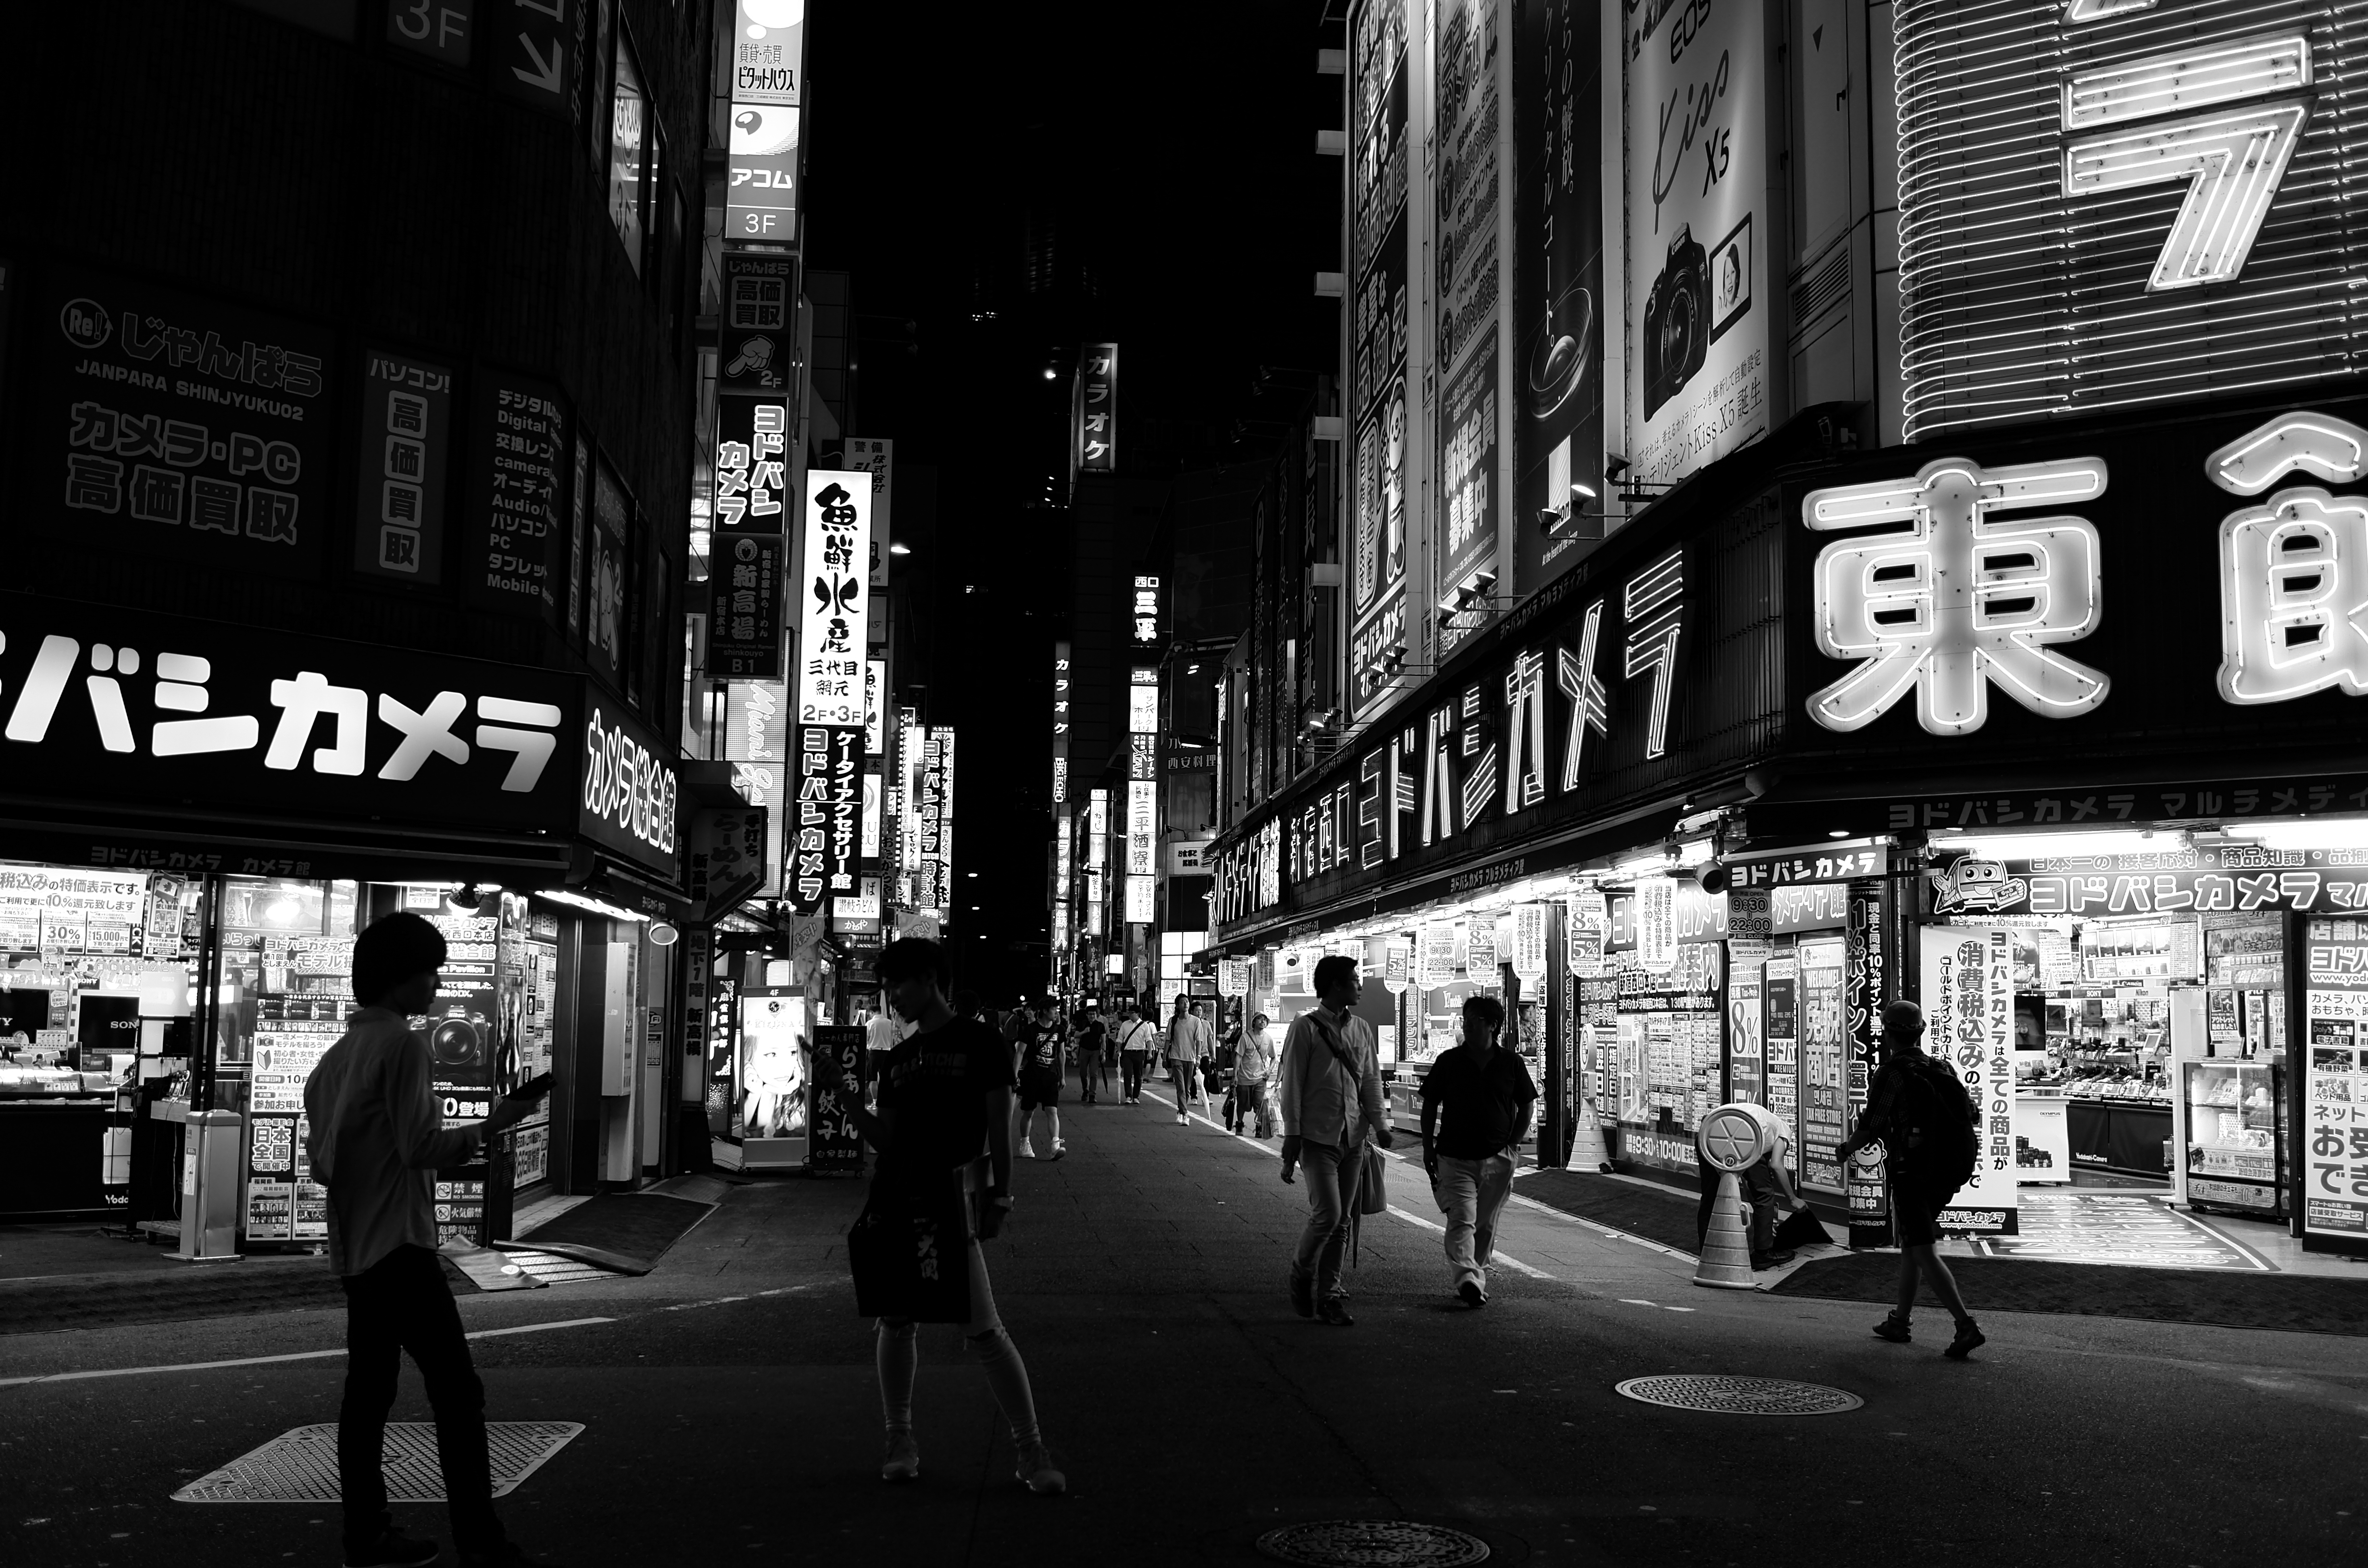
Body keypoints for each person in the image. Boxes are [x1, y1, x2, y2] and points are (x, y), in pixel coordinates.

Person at [304, 912, 553, 1568]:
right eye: (429, 971)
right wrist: (493, 1123)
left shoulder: (332, 1062)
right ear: (398, 978)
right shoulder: (403, 1046)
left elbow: (324, 1163)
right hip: (402, 1248)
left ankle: (367, 1534)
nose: (438, 984)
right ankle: (482, 1540)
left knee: (368, 1396)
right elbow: (422, 1149)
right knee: (456, 1392)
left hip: (356, 1249)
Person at [834, 938, 1063, 1494]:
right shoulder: (898, 1059)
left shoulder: (980, 1041)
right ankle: (899, 1439)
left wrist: (1002, 1194)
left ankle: (1031, 1451)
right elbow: (886, 1139)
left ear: (931, 979)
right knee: (895, 1319)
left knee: (984, 1330)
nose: (892, 997)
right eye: (886, 987)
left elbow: (1000, 1123)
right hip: (897, 1196)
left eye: (898, 985)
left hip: (950, 1199)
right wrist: (841, 1099)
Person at [1836, 999, 1986, 1360]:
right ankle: (1899, 1321)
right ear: (1920, 1032)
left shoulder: (1891, 1073)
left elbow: (1872, 1126)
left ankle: (1966, 1325)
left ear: (1887, 1033)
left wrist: (1845, 1151)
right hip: (1947, 1172)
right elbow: (1973, 1114)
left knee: (1922, 1248)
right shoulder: (1941, 1067)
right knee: (1913, 1245)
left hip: (1912, 1171)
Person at [1277, 957, 1392, 1326]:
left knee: (1343, 1220)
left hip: (1354, 1138)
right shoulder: (1305, 1028)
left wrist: (1381, 1124)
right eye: (1354, 981)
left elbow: (1371, 1080)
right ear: (1335, 986)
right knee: (1328, 1213)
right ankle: (1302, 1272)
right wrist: (1292, 1135)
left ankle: (1330, 1295)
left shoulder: (1361, 1028)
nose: (1360, 986)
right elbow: (1292, 1084)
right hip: (1317, 1137)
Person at [1419, 994, 1537, 1307]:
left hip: (1498, 1159)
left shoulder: (1511, 1063)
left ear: (1494, 1026)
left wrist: (1513, 1144)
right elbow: (1430, 1103)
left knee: (1484, 1224)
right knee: (1462, 1219)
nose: (1468, 1027)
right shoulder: (1449, 1061)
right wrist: (1427, 1145)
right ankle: (1467, 1277)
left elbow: (1526, 1105)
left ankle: (1476, 1277)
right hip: (1454, 1156)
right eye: (1465, 1021)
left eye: (1475, 1022)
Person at [1014, 1002, 1066, 1159]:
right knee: (1029, 1112)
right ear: (1045, 1011)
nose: (1056, 1013)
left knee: (1052, 1110)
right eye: (1053, 1009)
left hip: (1050, 1077)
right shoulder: (1030, 1030)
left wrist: (1062, 1076)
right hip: (1032, 1076)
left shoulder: (1060, 1030)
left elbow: (1061, 1054)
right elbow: (1020, 1053)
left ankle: (1055, 1146)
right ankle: (1025, 1143)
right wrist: (1014, 1074)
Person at [1162, 994, 1214, 1125]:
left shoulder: (1196, 1021)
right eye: (1182, 1002)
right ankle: (1186, 1115)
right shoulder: (1173, 1021)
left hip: (1190, 1058)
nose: (1185, 1004)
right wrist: (1164, 1057)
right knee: (1180, 1087)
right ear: (1178, 1006)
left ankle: (1180, 1111)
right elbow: (1168, 1040)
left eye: (1187, 1002)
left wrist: (1198, 1057)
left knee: (1186, 1089)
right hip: (1176, 1057)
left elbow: (1199, 1041)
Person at [1230, 1013, 1278, 1138]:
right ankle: (1239, 1124)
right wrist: (1235, 1075)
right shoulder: (1246, 1037)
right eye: (1260, 1019)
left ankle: (1259, 1127)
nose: (1263, 1022)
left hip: (1260, 1079)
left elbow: (1273, 1058)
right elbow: (1239, 1056)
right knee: (1242, 1104)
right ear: (1254, 1022)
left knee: (1260, 1105)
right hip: (1244, 1078)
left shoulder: (1269, 1039)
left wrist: (1270, 1070)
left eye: (1265, 1020)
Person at [1112, 1004, 1155, 1104]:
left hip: (1140, 1052)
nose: (1130, 1015)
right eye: (1129, 1013)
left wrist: (1150, 1052)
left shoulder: (1145, 1026)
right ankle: (1128, 1096)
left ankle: (1136, 1097)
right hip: (1128, 1052)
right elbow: (1120, 1039)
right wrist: (1119, 1050)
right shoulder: (1125, 1024)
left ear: (1138, 1014)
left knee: (1138, 1075)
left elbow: (1149, 1040)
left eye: (1132, 1013)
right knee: (1127, 1074)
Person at [1070, 1006, 1106, 1104]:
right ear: (1087, 1015)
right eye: (1090, 1014)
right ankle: (1085, 1090)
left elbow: (1103, 1040)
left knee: (1094, 1073)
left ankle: (1092, 1094)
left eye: (1094, 1014)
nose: (1092, 1016)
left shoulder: (1100, 1025)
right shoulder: (1082, 1024)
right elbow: (1076, 1035)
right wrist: (1084, 1032)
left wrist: (1104, 1054)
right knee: (1083, 1073)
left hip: (1096, 1051)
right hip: (1084, 1050)